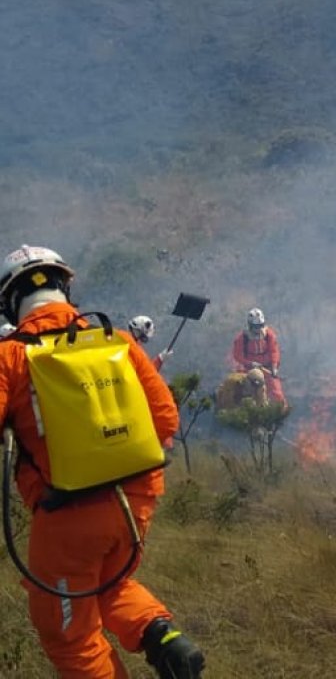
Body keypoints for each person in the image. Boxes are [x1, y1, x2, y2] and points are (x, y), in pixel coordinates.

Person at [0, 245, 204, 678]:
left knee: (67, 634)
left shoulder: (11, 357)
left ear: (10, 300)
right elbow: (165, 418)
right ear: (64, 288)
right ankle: (162, 637)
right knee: (108, 584)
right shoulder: (118, 341)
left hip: (66, 514)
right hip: (136, 504)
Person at [229, 307, 286, 406]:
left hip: (267, 368)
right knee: (250, 391)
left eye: (260, 325)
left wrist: (274, 367)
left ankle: (280, 410)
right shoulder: (242, 338)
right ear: (250, 326)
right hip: (249, 370)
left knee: (276, 391)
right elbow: (237, 355)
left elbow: (274, 351)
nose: (258, 329)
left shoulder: (269, 335)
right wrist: (250, 363)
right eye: (256, 326)